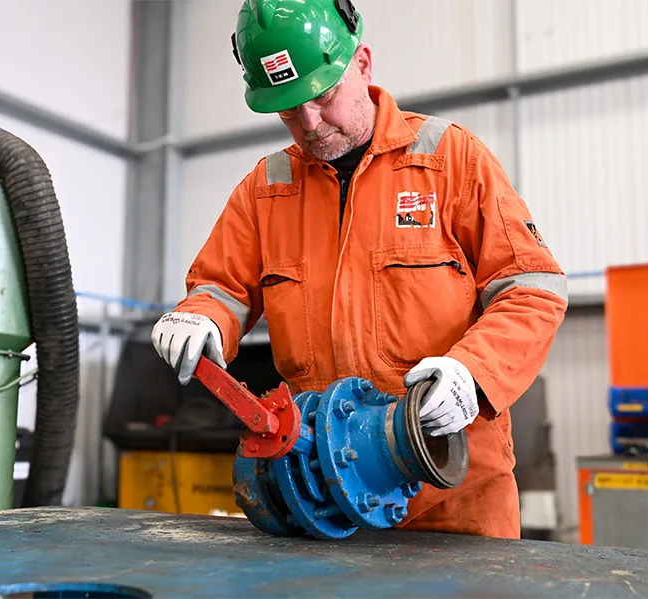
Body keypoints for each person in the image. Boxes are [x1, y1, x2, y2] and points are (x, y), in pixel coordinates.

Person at [151, 0, 568, 539]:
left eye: (322, 96)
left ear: (363, 64)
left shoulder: (450, 161)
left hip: (450, 498)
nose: (309, 123)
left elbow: (531, 288)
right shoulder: (267, 189)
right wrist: (202, 315)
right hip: (326, 500)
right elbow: (221, 285)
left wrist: (474, 372)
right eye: (288, 109)